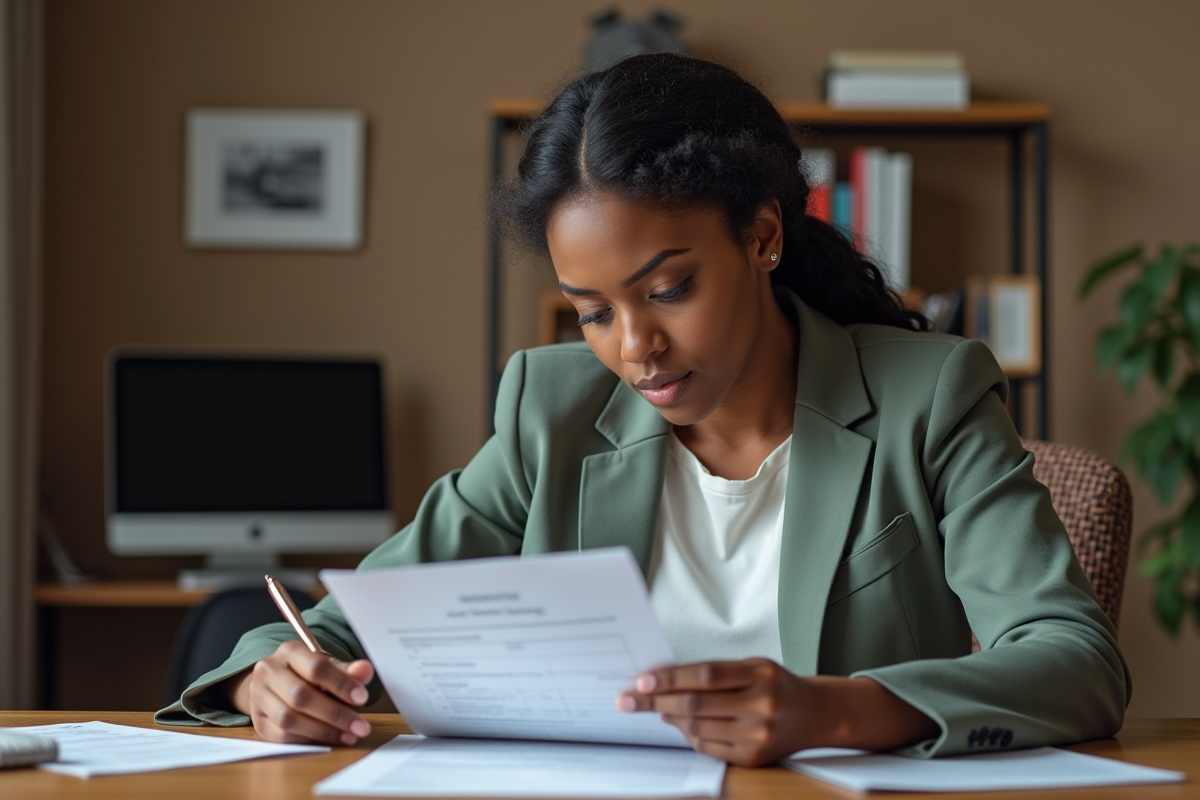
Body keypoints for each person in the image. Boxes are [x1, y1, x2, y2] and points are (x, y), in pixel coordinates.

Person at [156, 53, 1130, 766]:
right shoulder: (552, 410)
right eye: (593, 311)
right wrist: (264, 679)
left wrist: (832, 710)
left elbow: (1072, 659)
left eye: (667, 289)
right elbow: (334, 627)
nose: (634, 346)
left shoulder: (931, 393)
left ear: (760, 236)